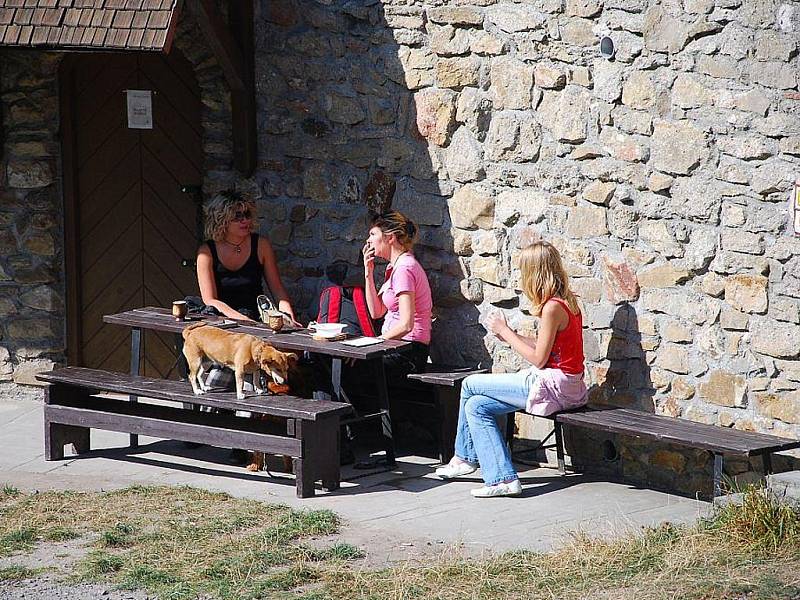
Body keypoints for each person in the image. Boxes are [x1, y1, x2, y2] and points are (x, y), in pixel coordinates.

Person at [435, 241, 588, 498]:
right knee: (477, 406)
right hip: (566, 384)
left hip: (554, 385)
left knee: (470, 384)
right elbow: (547, 348)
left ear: (534, 272)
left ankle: (464, 457)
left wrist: (504, 331)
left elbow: (539, 359)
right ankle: (502, 479)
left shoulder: (552, 307)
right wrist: (512, 336)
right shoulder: (565, 302)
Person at [196, 189, 297, 323]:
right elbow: (210, 299)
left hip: (255, 315)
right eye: (237, 216)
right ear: (221, 220)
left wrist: (288, 316)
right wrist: (242, 320)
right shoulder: (206, 252)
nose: (244, 220)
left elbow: (278, 290)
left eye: (247, 214)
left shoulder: (261, 245)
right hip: (221, 318)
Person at [362, 210, 433, 383]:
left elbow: (406, 324)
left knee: (350, 370)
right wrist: (368, 273)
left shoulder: (404, 268)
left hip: (408, 352)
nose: (368, 240)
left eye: (373, 234)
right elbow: (376, 312)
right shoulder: (394, 268)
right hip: (396, 347)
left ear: (390, 237)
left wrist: (374, 343)